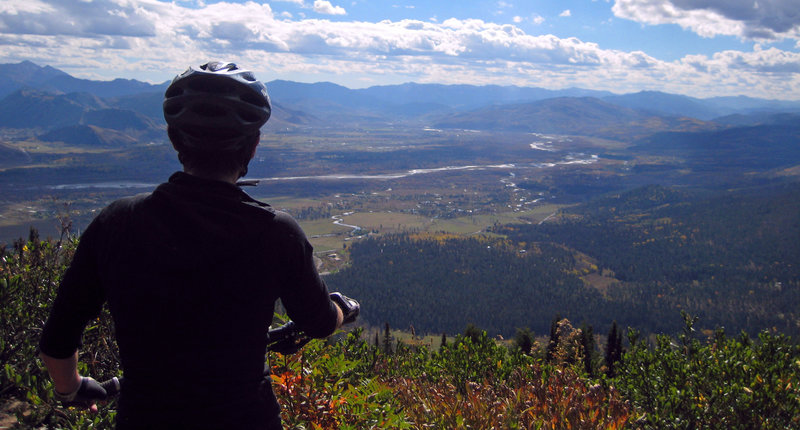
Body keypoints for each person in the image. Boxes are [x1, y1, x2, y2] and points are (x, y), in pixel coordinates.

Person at [38, 61, 359, 429]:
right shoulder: (275, 232)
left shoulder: (117, 222)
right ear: (253, 146)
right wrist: (340, 307)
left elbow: (57, 340)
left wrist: (72, 389)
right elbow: (318, 322)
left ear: (175, 140)